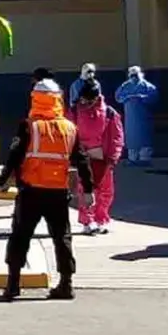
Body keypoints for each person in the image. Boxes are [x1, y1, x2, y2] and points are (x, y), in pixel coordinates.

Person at [0, 78, 93, 301]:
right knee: (62, 237)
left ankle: (13, 285)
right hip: (58, 193)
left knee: (20, 236)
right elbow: (82, 160)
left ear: (35, 99)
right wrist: (88, 190)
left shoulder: (29, 126)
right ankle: (66, 284)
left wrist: (3, 180)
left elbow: (14, 155)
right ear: (58, 100)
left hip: (31, 191)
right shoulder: (70, 128)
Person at [68, 80, 123, 235]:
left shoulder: (109, 113)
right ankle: (87, 221)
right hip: (83, 157)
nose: (85, 103)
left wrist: (113, 156)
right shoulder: (74, 111)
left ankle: (101, 219)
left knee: (105, 191)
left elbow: (116, 136)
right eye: (83, 99)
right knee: (85, 190)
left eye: (88, 100)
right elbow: (70, 134)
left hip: (103, 158)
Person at [115, 65, 159, 167]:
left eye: (136, 74)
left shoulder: (147, 86)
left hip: (144, 117)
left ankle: (145, 158)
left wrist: (141, 98)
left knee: (144, 137)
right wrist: (128, 98)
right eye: (132, 75)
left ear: (141, 74)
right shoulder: (125, 86)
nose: (134, 77)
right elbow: (118, 97)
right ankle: (132, 158)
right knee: (131, 138)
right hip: (130, 117)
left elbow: (154, 96)